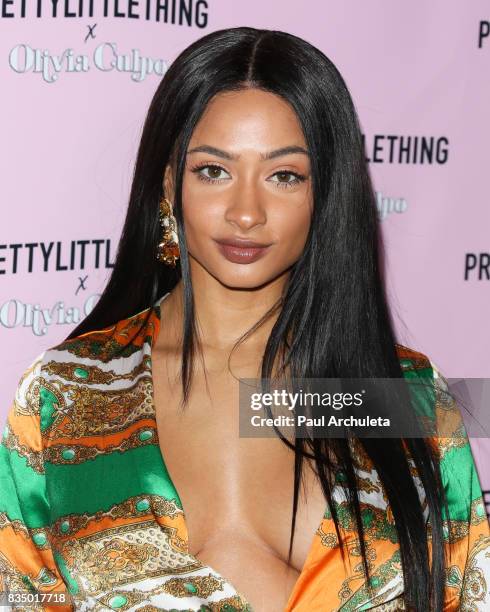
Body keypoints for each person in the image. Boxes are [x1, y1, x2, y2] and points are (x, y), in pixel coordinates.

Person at [0, 26, 489, 612]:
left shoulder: (400, 399)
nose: (246, 212)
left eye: (284, 175)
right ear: (166, 181)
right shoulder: (67, 398)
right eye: (214, 170)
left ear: (325, 196)